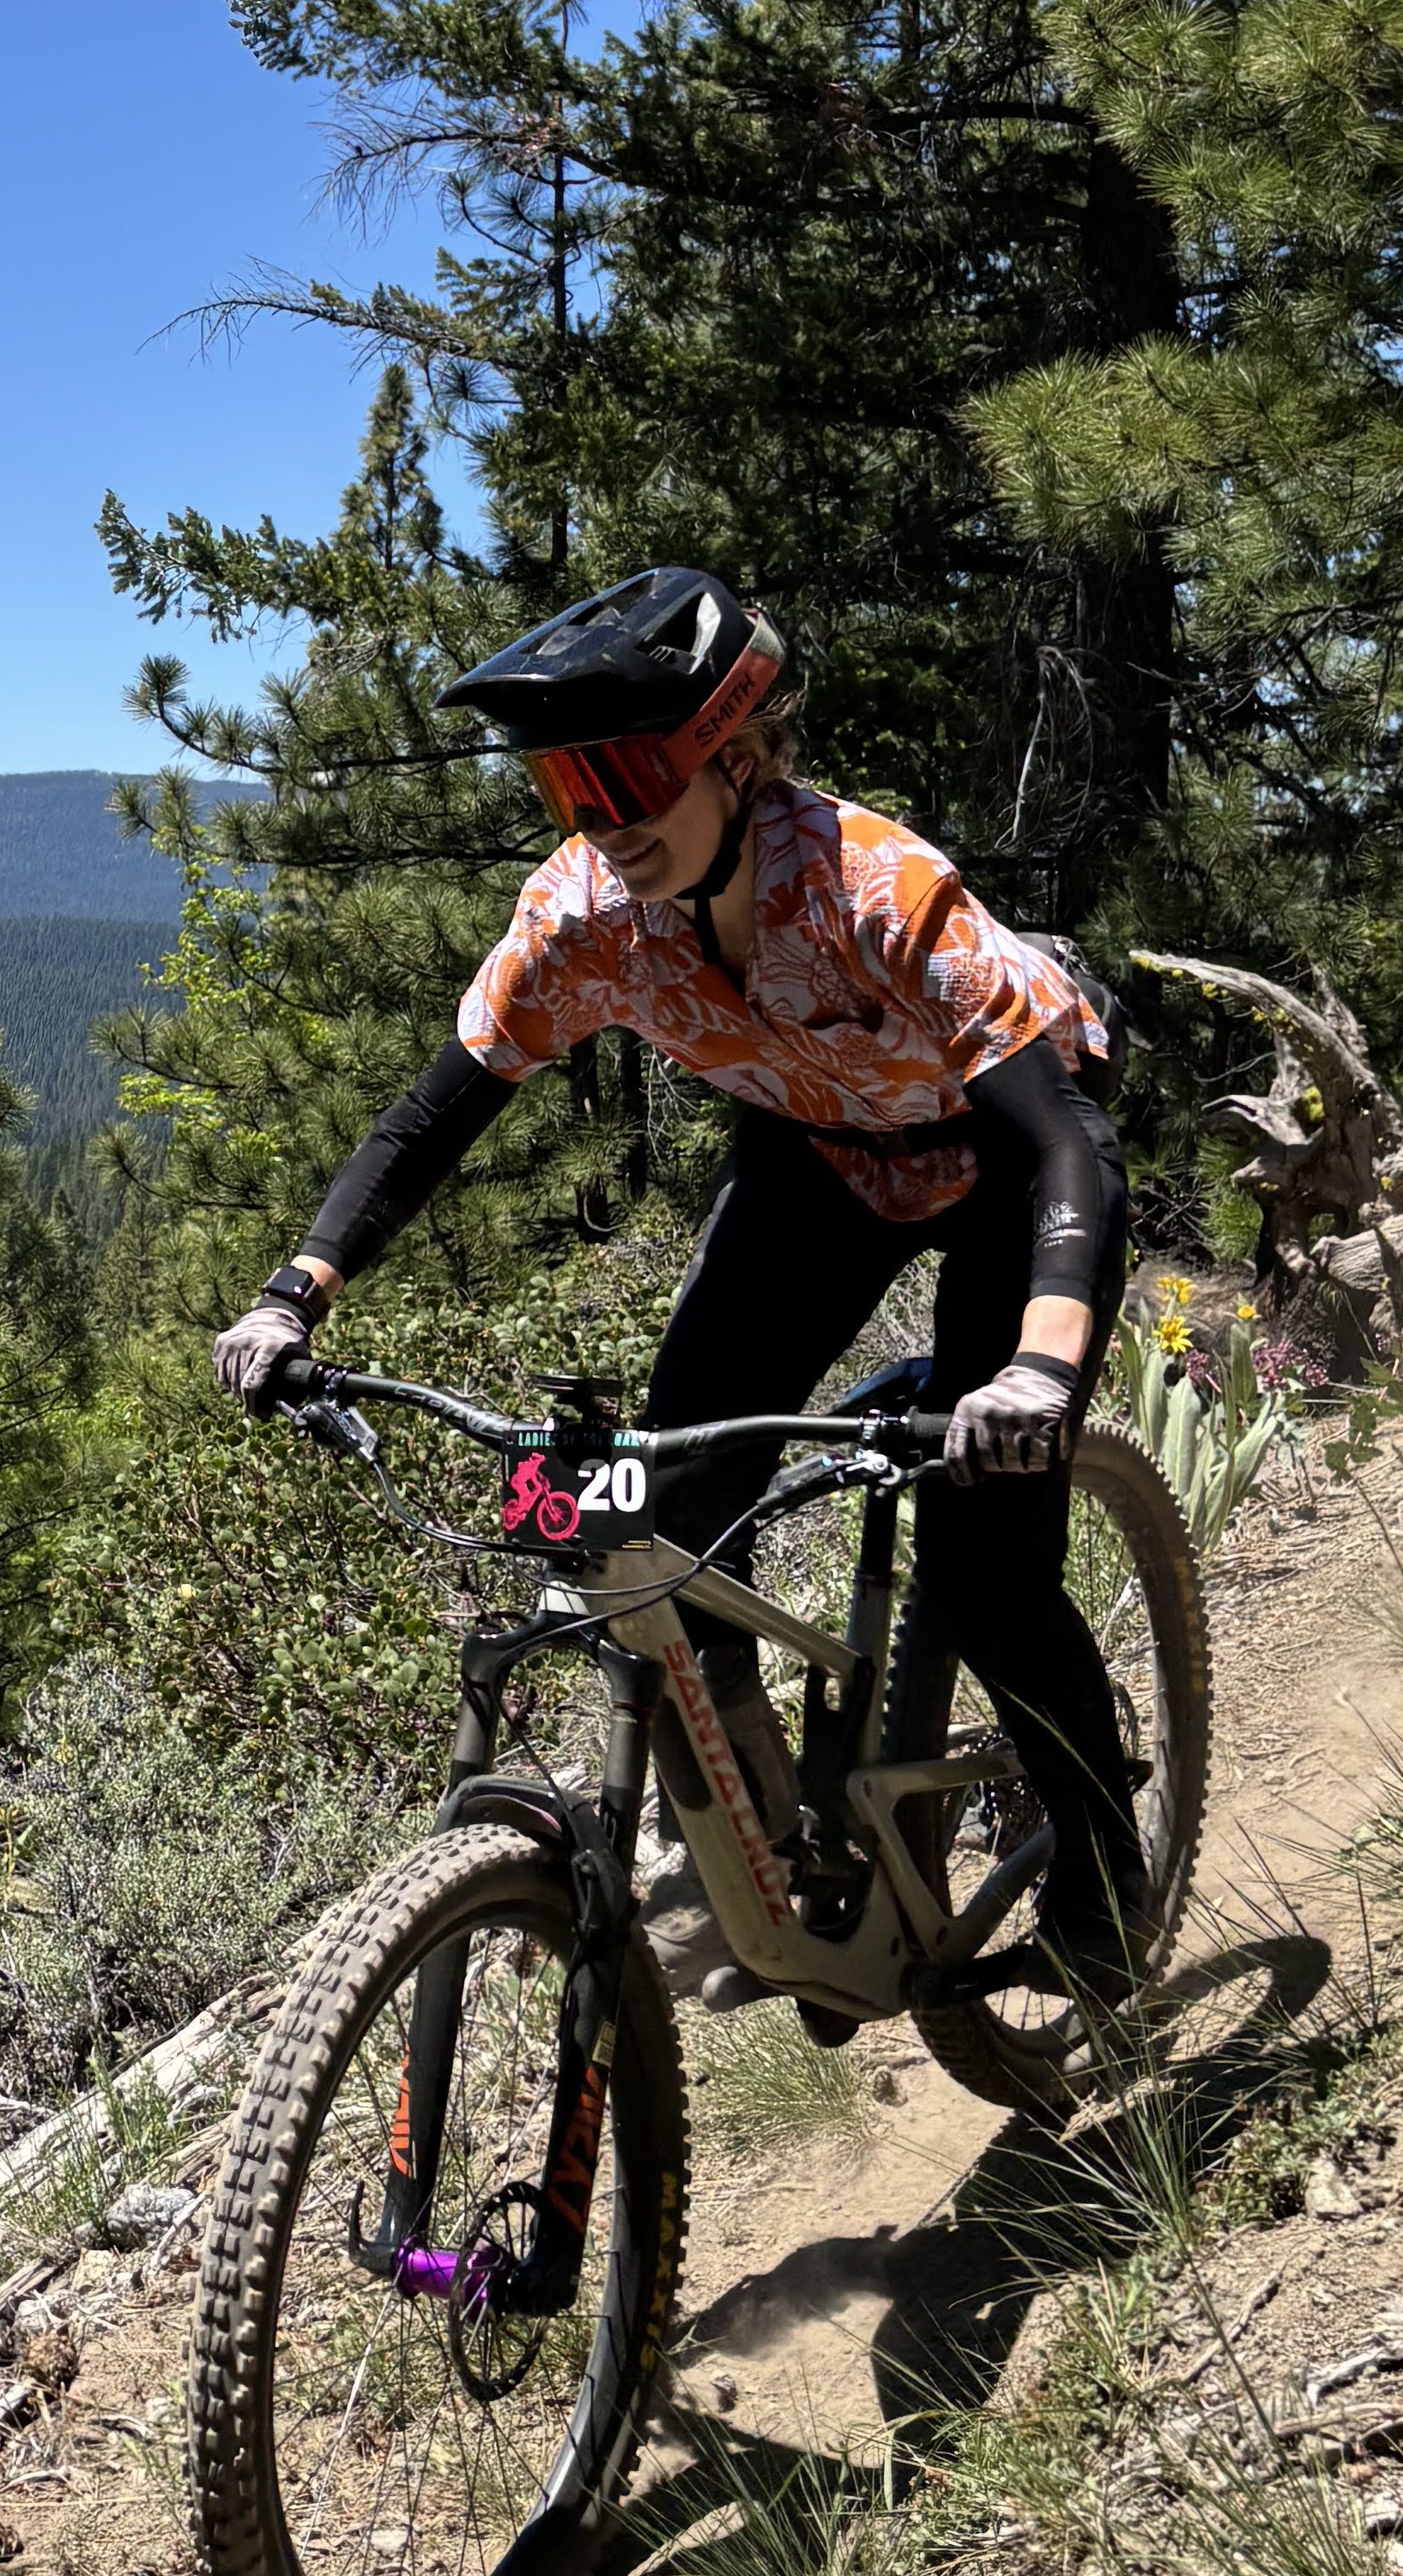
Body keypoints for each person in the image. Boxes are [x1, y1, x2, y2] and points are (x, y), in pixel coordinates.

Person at [210, 565, 1142, 2001]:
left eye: (634, 772)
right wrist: (295, 1291)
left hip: (1009, 1157)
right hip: (821, 1152)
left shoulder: (872, 887)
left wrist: (1041, 1366)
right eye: (568, 787)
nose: (607, 818)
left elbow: (1068, 1140)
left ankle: (1103, 1857)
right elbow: (432, 1115)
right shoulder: (584, 911)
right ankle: (756, 1840)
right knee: (663, 1482)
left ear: (736, 755)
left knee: (986, 1560)